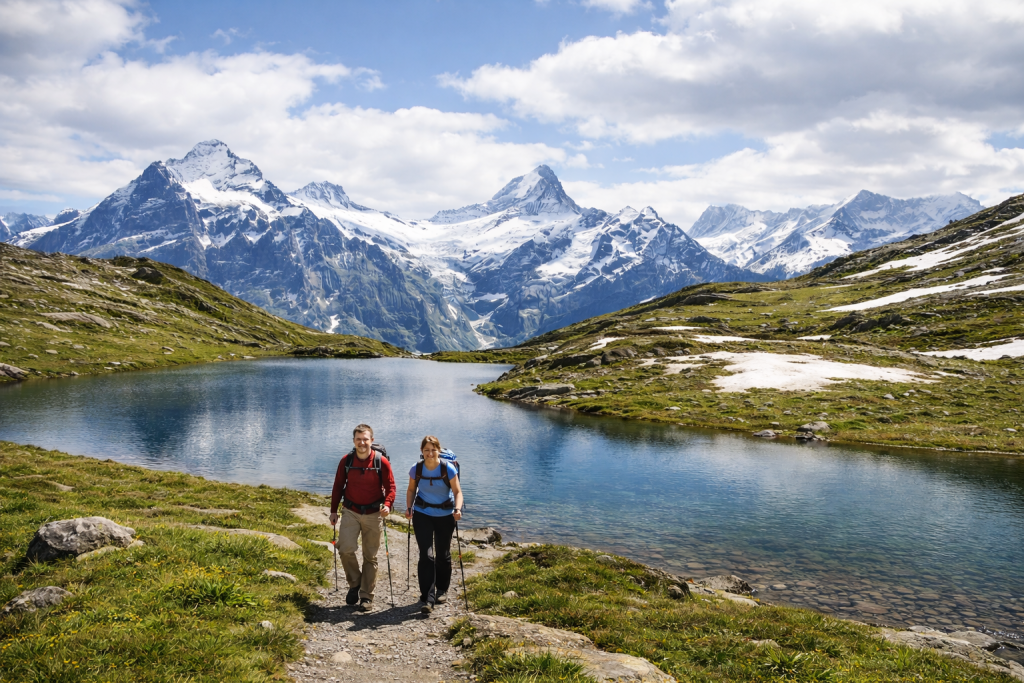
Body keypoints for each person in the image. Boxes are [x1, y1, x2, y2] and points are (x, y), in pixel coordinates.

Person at [330, 424, 396, 612]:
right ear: (354, 441)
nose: (362, 443)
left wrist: (388, 504)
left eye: (365, 439)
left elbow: (391, 487)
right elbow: (338, 486)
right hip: (350, 510)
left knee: (370, 556)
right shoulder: (346, 461)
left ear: (371, 441)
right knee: (345, 549)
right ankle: (355, 583)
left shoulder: (381, 462)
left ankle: (366, 596)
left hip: (374, 513)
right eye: (358, 439)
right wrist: (333, 511)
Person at [405, 435, 463, 613]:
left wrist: (457, 509)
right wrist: (409, 507)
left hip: (445, 515)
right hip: (422, 514)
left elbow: (457, 492)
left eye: (433, 450)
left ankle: (442, 590)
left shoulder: (448, 468)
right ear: (421, 451)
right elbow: (411, 489)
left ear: (439, 450)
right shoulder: (416, 468)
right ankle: (427, 597)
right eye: (426, 450)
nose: (430, 453)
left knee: (442, 554)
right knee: (426, 555)